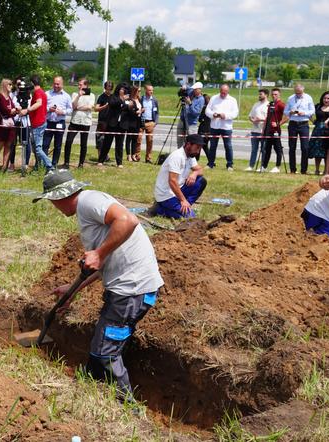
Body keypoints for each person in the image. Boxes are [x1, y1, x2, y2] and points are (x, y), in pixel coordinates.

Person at [33, 169, 164, 403]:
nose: (52, 205)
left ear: (59, 196)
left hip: (132, 290)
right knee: (103, 341)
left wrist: (98, 253)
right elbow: (100, 264)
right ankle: (88, 383)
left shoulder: (88, 201)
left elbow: (128, 220)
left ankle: (128, 408)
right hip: (128, 289)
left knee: (106, 351)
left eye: (51, 200)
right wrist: (71, 291)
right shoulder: (87, 209)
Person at [150, 134, 206, 219]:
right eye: (197, 147)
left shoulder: (190, 156)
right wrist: (183, 200)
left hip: (178, 190)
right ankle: (159, 209)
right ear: (188, 144)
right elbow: (172, 181)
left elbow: (200, 170)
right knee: (189, 217)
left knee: (201, 181)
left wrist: (194, 173)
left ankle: (185, 206)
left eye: (200, 148)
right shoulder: (177, 156)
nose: (198, 151)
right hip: (166, 195)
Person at [18, 74, 54, 173]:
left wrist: (27, 110)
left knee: (37, 149)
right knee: (36, 147)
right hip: (39, 122)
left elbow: (39, 103)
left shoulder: (38, 92)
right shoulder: (42, 92)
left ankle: (50, 165)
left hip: (38, 123)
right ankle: (39, 166)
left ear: (32, 83)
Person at [61, 78, 95, 169]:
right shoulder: (75, 94)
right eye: (78, 84)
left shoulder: (91, 95)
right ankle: (66, 163)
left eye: (81, 84)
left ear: (86, 85)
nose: (79, 86)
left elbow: (89, 107)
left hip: (85, 122)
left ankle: (81, 164)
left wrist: (78, 107)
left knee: (83, 144)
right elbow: (73, 106)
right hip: (74, 121)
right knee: (68, 141)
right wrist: (78, 97)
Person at [282, 84, 314, 174]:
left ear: (303, 90)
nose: (298, 94)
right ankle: (292, 169)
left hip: (304, 123)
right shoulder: (291, 98)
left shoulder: (308, 98)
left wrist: (304, 113)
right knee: (292, 147)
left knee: (305, 147)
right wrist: (290, 112)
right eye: (296, 92)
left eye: (300, 92)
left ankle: (304, 169)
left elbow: (312, 110)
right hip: (293, 124)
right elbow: (285, 111)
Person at [205, 84, 238, 170]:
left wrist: (225, 116)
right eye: (221, 92)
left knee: (228, 146)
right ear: (220, 91)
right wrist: (213, 114)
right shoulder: (214, 98)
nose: (223, 94)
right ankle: (210, 164)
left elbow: (235, 113)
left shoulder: (232, 100)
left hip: (226, 127)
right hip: (214, 126)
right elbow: (207, 110)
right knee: (212, 146)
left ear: (228, 91)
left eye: (225, 93)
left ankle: (229, 165)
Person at [43, 76, 72, 167]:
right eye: (54, 83)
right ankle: (45, 163)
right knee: (45, 144)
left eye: (58, 84)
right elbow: (42, 107)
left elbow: (70, 110)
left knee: (58, 145)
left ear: (62, 84)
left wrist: (62, 112)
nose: (56, 85)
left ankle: (54, 164)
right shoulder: (47, 94)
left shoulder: (66, 96)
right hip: (48, 122)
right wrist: (49, 109)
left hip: (60, 123)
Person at [97, 83, 128, 168]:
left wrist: (127, 103)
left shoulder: (127, 98)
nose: (123, 91)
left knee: (120, 144)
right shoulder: (113, 97)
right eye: (122, 89)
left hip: (122, 124)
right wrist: (121, 99)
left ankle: (119, 163)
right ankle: (101, 160)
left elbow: (129, 107)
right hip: (112, 123)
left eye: (124, 89)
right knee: (107, 142)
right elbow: (112, 104)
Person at [308, 91, 329, 175]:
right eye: (324, 98)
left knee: (327, 151)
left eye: (328, 98)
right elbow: (309, 114)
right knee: (317, 152)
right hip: (318, 131)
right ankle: (317, 170)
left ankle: (326, 170)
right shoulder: (317, 106)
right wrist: (314, 122)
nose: (326, 100)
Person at [0, 79, 17, 172]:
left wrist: (13, 111)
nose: (11, 86)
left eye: (11, 85)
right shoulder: (0, 97)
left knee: (8, 145)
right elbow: (5, 110)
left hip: (11, 125)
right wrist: (12, 111)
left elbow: (13, 111)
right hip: (2, 125)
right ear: (4, 85)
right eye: (9, 84)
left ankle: (4, 167)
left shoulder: (10, 97)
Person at [261, 88, 285, 173]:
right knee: (267, 149)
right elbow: (267, 117)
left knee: (278, 148)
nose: (274, 96)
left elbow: (287, 116)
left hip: (276, 130)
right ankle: (264, 166)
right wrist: (264, 129)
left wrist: (278, 124)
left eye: (276, 94)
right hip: (268, 130)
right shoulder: (271, 104)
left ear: (279, 95)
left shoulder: (281, 104)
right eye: (273, 94)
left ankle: (277, 167)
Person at [245, 89, 269, 171]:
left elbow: (268, 119)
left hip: (263, 131)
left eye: (261, 94)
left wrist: (260, 120)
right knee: (254, 149)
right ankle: (251, 166)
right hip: (254, 130)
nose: (259, 95)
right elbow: (250, 116)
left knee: (263, 150)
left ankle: (262, 166)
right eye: (259, 94)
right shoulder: (256, 104)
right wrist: (253, 120)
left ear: (266, 95)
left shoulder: (268, 105)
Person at [177, 82, 204, 148]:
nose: (193, 90)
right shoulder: (191, 92)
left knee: (191, 143)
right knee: (179, 141)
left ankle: (190, 156)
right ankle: (180, 154)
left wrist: (190, 104)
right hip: (182, 120)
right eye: (193, 89)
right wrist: (184, 86)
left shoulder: (201, 99)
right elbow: (185, 87)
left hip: (191, 124)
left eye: (195, 89)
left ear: (200, 89)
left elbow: (196, 113)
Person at [138, 84, 159, 163]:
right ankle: (137, 156)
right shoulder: (141, 99)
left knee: (150, 141)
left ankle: (148, 158)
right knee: (138, 140)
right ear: (145, 90)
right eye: (150, 90)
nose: (151, 92)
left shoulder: (154, 100)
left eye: (152, 90)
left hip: (150, 122)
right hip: (141, 122)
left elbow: (157, 112)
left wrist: (155, 122)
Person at [123, 86, 141, 162]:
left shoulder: (139, 100)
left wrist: (141, 111)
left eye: (140, 91)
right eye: (138, 91)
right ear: (134, 91)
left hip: (137, 121)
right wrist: (137, 112)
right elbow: (128, 110)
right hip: (130, 121)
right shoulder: (129, 100)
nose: (139, 93)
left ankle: (133, 155)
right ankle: (128, 155)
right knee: (129, 139)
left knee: (135, 139)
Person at [95, 81, 113, 159]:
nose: (109, 89)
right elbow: (96, 108)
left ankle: (106, 155)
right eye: (108, 87)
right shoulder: (101, 97)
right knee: (100, 139)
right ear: (105, 87)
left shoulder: (113, 97)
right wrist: (104, 107)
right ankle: (100, 156)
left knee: (108, 139)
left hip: (111, 121)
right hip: (102, 121)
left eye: (110, 87)